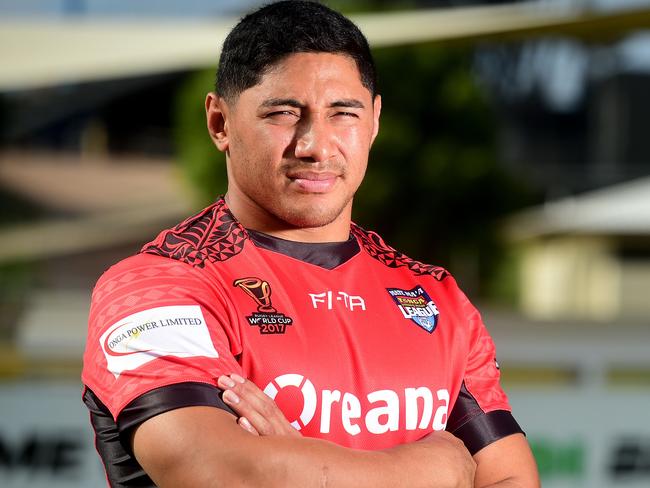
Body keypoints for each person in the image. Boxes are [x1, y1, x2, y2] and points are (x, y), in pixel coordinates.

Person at [82, 1, 540, 487]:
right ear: (220, 123)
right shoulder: (157, 286)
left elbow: (511, 480)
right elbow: (222, 474)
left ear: (375, 121)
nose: (316, 145)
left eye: (343, 113)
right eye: (282, 113)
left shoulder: (436, 297)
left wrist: (294, 466)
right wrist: (433, 470)